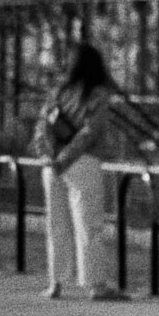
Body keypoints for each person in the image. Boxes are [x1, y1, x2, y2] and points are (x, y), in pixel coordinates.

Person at [41, 44, 121, 300]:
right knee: (88, 224)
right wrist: (65, 158)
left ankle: (56, 283)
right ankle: (95, 284)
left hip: (51, 164)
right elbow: (89, 132)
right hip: (82, 163)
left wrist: (48, 156)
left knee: (56, 224)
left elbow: (42, 126)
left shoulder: (58, 92)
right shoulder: (97, 94)